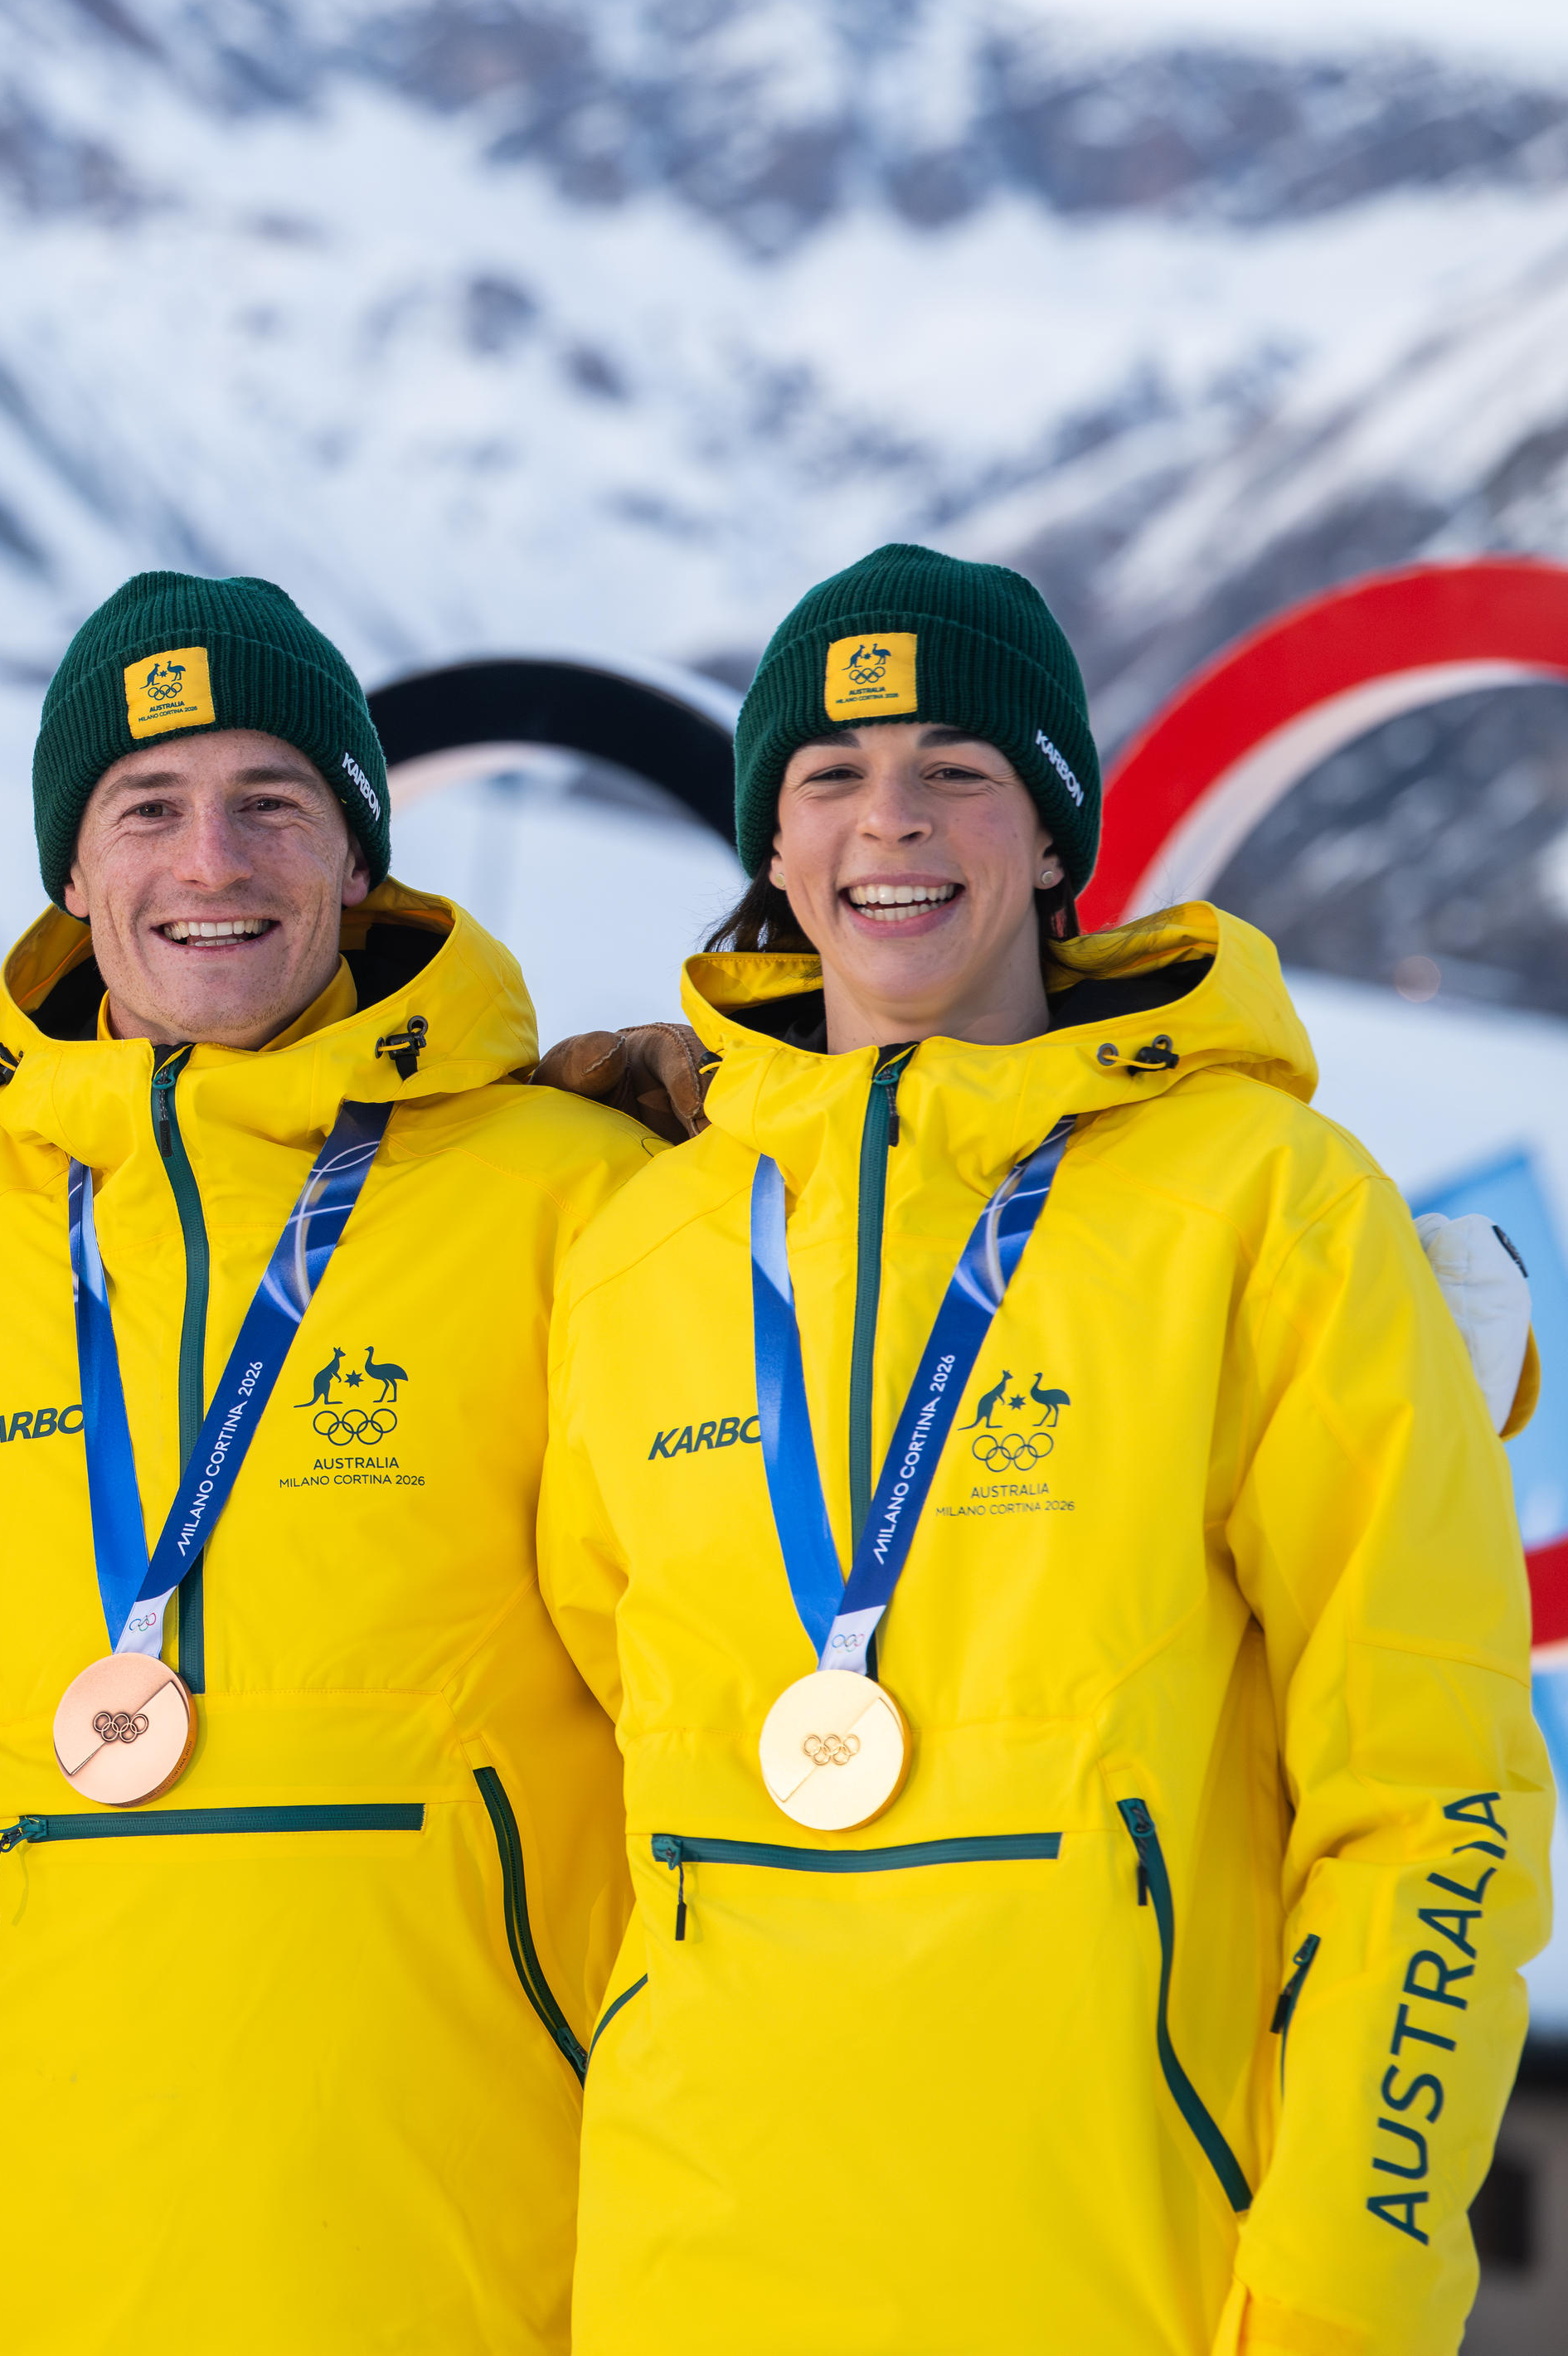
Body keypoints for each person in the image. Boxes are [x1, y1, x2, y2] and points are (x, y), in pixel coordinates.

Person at [538, 544, 1550, 2354]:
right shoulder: (642, 1252)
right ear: (771, 849)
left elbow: (1435, 1799)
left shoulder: (1264, 1207)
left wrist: (1346, 2293)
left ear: (1057, 834)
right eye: (829, 777)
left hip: (1122, 2278)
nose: (888, 822)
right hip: (690, 2276)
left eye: (957, 767)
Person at [0, 574, 658, 2351]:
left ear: (359, 858)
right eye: (145, 805)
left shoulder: (571, 1199)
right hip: (22, 2237)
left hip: (464, 2229)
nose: (207, 859)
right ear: (72, 870)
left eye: (270, 803)